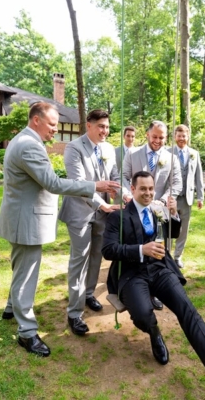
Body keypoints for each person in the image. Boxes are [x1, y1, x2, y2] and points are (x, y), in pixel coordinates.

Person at [102, 171, 205, 400]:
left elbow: (173, 233)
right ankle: (153, 331)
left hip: (159, 269)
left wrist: (173, 213)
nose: (148, 193)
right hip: (132, 274)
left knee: (188, 311)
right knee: (142, 315)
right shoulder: (118, 217)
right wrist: (141, 250)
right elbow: (108, 250)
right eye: (143, 189)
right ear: (133, 188)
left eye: (151, 189)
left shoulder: (157, 209)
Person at [0, 102, 119, 357]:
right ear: (36, 120)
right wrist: (93, 186)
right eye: (52, 124)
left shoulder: (25, 140)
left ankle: (11, 307)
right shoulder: (29, 144)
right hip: (25, 221)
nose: (56, 129)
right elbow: (52, 183)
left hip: (21, 218)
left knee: (21, 269)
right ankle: (27, 332)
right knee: (26, 275)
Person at [59, 109, 122, 336]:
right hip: (79, 213)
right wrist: (101, 204)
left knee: (97, 256)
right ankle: (74, 313)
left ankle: (88, 294)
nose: (105, 131)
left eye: (107, 127)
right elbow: (77, 183)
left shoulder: (108, 149)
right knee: (80, 259)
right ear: (89, 125)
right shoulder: (74, 148)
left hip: (103, 214)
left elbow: (115, 175)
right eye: (101, 126)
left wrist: (122, 192)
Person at [122, 120, 182, 310]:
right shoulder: (132, 154)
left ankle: (154, 292)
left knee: (157, 252)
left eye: (162, 138)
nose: (157, 141)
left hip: (158, 212)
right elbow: (123, 176)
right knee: (137, 249)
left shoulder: (171, 158)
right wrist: (128, 193)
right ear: (147, 135)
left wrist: (163, 201)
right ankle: (134, 287)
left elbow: (177, 183)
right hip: (134, 210)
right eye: (154, 136)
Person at [172, 124, 204, 268]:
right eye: (179, 136)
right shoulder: (167, 152)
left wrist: (200, 196)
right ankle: (165, 255)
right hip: (171, 198)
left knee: (183, 229)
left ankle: (177, 256)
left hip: (187, 198)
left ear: (188, 137)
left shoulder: (194, 153)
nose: (181, 139)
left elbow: (199, 176)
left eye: (184, 136)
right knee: (168, 228)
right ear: (175, 137)